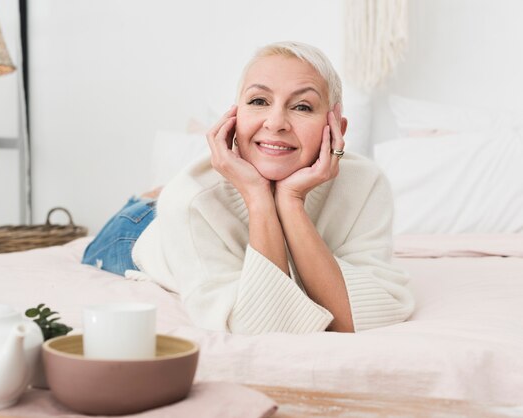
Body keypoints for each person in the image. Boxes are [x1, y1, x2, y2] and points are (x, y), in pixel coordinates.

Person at [83, 41, 414, 334]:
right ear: (235, 116)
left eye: (302, 106)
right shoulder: (191, 201)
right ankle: (150, 196)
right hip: (140, 229)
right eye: (258, 101)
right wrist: (257, 196)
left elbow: (357, 316)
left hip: (187, 203)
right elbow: (263, 325)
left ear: (335, 126)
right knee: (106, 240)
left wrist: (290, 200)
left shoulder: (366, 184)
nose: (275, 123)